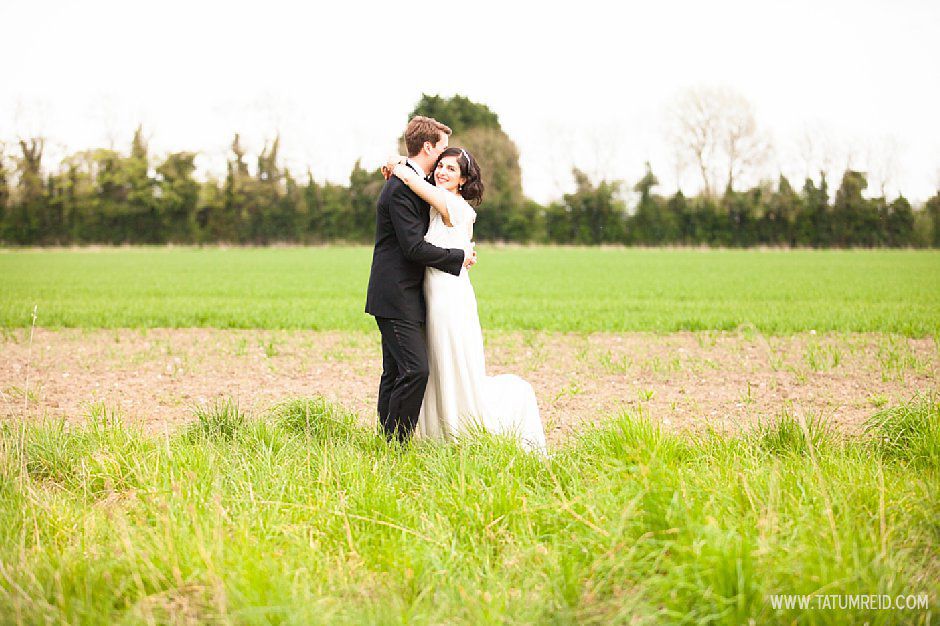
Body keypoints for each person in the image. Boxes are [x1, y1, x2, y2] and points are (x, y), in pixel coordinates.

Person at [385, 147, 547, 454]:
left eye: (452, 170)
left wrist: (397, 164)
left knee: (448, 357)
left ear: (462, 180)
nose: (443, 172)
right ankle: (434, 429)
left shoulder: (454, 205)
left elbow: (414, 182)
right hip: (432, 292)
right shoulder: (438, 199)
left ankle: (457, 426)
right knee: (435, 359)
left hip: (448, 296)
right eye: (441, 166)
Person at [365, 116, 476, 443]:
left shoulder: (417, 180)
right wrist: (460, 257)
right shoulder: (402, 186)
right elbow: (413, 247)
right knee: (415, 371)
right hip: (397, 293)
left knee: (397, 371)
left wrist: (397, 162)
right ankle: (395, 445)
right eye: (441, 150)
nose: (442, 162)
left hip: (415, 292)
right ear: (428, 147)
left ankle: (387, 444)